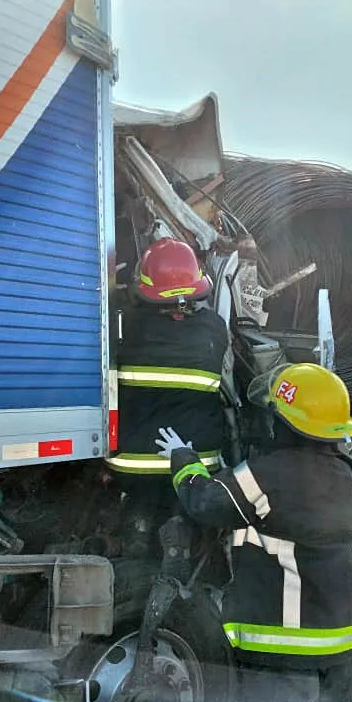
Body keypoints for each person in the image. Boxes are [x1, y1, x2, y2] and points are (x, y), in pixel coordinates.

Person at [154, 362, 352, 702]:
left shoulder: (267, 473)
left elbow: (205, 503)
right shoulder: (343, 473)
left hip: (287, 650)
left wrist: (184, 460)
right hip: (342, 646)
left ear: (280, 420)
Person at [105, 237, 228, 554]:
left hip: (131, 465)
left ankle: (137, 533)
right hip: (197, 463)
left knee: (140, 504)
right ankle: (180, 542)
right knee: (184, 513)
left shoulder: (125, 326)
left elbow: (121, 307)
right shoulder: (215, 329)